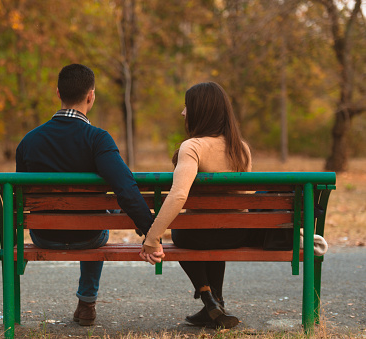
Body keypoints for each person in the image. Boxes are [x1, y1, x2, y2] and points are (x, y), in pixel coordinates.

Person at [16, 64, 153, 326]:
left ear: (58, 93)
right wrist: (150, 229)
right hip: (89, 236)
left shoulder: (29, 141)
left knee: (96, 213)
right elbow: (125, 187)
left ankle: (84, 301)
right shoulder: (98, 139)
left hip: (44, 234)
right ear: (91, 95)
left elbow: (22, 195)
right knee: (101, 213)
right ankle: (87, 301)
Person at [139, 81, 252, 329]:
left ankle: (207, 297)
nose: (183, 112)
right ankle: (215, 302)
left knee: (188, 231)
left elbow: (179, 195)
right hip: (235, 234)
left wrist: (152, 237)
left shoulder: (193, 147)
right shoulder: (241, 148)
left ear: (201, 111)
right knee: (215, 225)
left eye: (187, 106)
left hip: (197, 235)